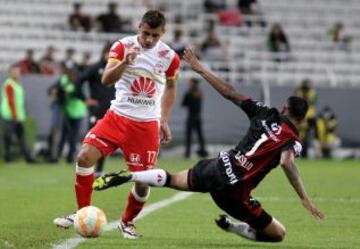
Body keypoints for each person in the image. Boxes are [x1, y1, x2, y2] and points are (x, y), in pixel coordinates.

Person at [93, 48, 324, 243]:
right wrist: (304, 197)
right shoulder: (293, 140)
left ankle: (133, 176)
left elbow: (231, 94)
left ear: (284, 107)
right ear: (302, 119)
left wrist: (201, 69)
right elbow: (286, 162)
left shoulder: (265, 112)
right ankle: (233, 227)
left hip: (216, 166)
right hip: (234, 191)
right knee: (278, 234)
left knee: (172, 179)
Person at [54, 10, 180, 240]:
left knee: (143, 182)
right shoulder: (122, 46)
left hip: (146, 125)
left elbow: (171, 87)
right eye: (145, 33)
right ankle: (82, 213)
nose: (149, 39)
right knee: (84, 157)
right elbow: (106, 79)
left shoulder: (170, 57)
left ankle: (127, 222)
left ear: (163, 33)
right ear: (139, 26)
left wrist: (164, 119)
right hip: (117, 117)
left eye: (155, 35)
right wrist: (125, 62)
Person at [77, 43, 115, 177]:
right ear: (104, 53)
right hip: (96, 110)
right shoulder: (95, 68)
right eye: (109, 53)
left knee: (105, 140)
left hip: (111, 111)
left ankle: (99, 170)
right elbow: (78, 80)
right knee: (93, 139)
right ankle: (87, 168)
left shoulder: (117, 69)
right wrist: (85, 99)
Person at [1, 65, 35, 163]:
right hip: (10, 115)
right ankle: (8, 157)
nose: (17, 74)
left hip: (18, 116)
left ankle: (28, 157)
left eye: (18, 72)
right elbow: (11, 101)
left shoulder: (17, 84)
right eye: (15, 72)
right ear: (10, 73)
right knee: (8, 137)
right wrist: (14, 115)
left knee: (22, 138)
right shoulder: (9, 84)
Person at [56, 66, 87, 163]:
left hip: (77, 112)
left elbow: (78, 94)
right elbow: (58, 90)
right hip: (68, 112)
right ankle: (58, 156)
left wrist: (63, 90)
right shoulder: (66, 82)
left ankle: (70, 157)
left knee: (73, 136)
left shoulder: (76, 84)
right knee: (65, 135)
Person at [181, 78, 208, 158]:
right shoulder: (200, 93)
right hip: (198, 117)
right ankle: (203, 152)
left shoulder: (189, 93)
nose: (189, 84)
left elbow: (183, 104)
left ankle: (187, 153)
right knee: (200, 136)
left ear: (193, 83)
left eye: (190, 82)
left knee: (189, 136)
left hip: (191, 117)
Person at [294, 79, 317, 158]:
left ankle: (305, 153)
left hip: (310, 116)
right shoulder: (298, 92)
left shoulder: (313, 92)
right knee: (298, 134)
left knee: (306, 136)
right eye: (304, 88)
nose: (306, 90)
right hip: (300, 116)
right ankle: (297, 152)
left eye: (307, 88)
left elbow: (310, 102)